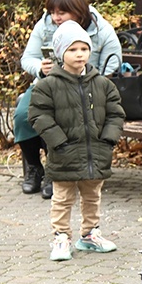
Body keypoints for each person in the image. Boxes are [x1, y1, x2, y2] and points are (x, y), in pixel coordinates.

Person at [28, 20, 125, 261]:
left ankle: (90, 234)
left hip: (96, 154)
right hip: (64, 153)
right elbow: (39, 115)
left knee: (93, 196)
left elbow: (115, 114)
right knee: (62, 198)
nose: (79, 54)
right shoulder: (48, 85)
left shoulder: (103, 84)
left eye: (84, 48)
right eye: (72, 49)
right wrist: (59, 142)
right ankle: (61, 237)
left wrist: (108, 140)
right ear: (61, 53)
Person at [14, 0, 122, 197]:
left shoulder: (100, 28)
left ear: (77, 10)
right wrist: (40, 68)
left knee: (60, 115)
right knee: (22, 115)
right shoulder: (44, 25)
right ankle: (35, 168)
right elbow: (27, 58)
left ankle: (53, 175)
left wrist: (93, 79)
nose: (55, 17)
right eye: (52, 12)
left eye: (61, 12)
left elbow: (114, 62)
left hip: (86, 88)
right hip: (47, 84)